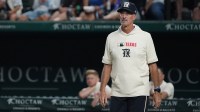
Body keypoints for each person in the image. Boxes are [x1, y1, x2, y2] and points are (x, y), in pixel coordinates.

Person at [99, 1, 162, 112]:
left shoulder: (145, 36)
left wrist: (157, 91)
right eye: (122, 13)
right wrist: (102, 90)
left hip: (139, 92)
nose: (124, 16)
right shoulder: (111, 37)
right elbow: (107, 66)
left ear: (134, 16)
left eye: (127, 13)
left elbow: (152, 65)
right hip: (117, 93)